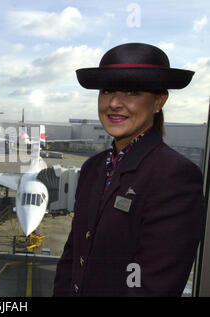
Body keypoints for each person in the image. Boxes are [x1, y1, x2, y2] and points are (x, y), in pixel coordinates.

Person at [53, 43, 205, 296]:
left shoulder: (174, 175)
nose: (114, 103)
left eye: (132, 92)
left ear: (159, 101)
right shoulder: (93, 168)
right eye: (107, 91)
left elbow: (154, 286)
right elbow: (72, 259)